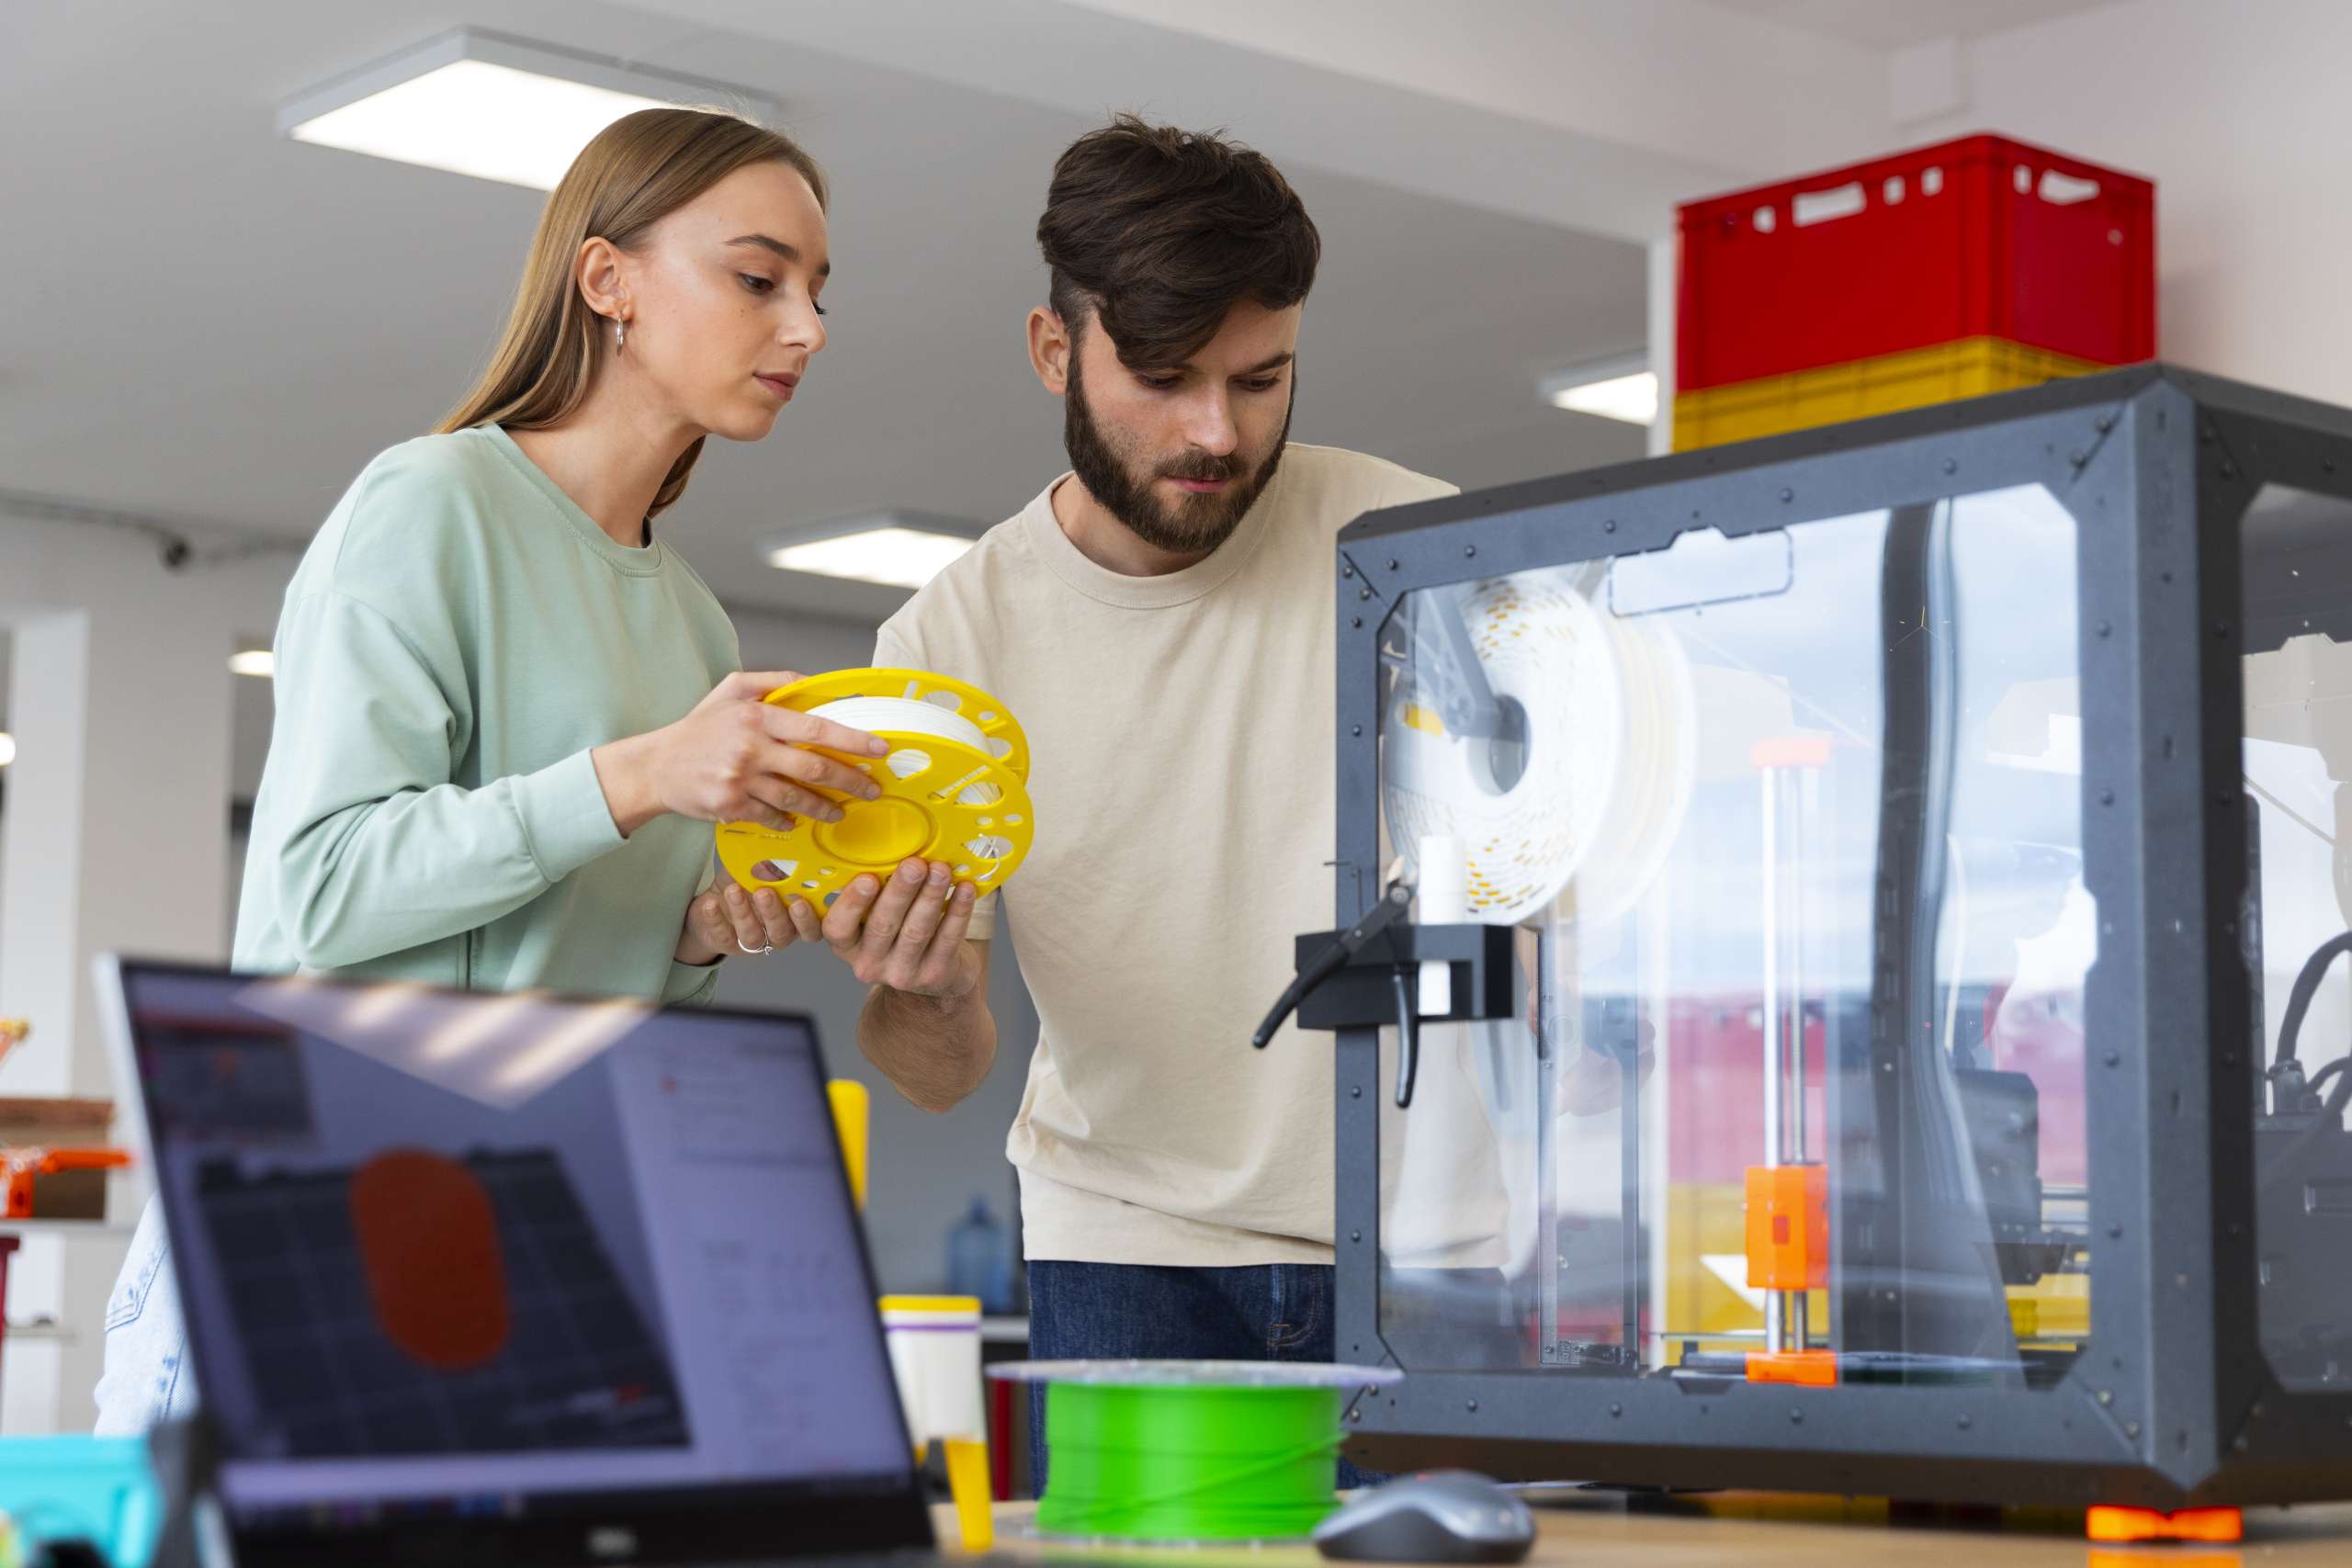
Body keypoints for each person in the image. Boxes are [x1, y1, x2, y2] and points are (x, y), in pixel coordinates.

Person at [93, 107, 881, 1431]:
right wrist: (637, 777)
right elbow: (324, 890)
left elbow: (560, 960)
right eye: (759, 278)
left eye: (817, 291)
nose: (805, 327)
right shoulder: (430, 505)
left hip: (513, 1231)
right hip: (310, 1211)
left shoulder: (696, 625)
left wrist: (696, 934)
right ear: (607, 279)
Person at [728, 116, 1453, 1481]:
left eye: (1262, 379)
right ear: (1054, 349)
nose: (1216, 432)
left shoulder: (1419, 553)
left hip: (1437, 1249)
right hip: (1126, 1251)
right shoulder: (947, 643)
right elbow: (935, 1072)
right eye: (1165, 378)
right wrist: (927, 991)